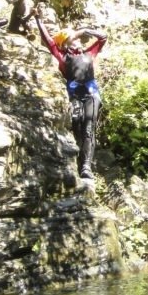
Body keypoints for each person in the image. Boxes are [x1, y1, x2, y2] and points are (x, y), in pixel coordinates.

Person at [34, 15, 107, 182]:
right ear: (65, 42)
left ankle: (86, 166)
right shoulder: (62, 56)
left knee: (89, 127)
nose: (77, 40)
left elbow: (103, 38)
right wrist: (38, 19)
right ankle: (75, 162)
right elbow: (48, 41)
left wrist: (84, 31)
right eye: (72, 38)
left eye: (76, 38)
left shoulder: (89, 53)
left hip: (91, 94)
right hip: (75, 95)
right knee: (75, 121)